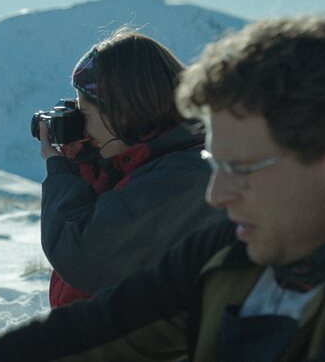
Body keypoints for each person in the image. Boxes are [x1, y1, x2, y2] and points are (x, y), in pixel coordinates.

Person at [0, 16, 325, 361]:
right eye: (216, 164)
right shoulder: (237, 254)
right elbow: (95, 330)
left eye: (243, 167)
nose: (215, 195)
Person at [38, 29, 222, 307]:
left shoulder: (185, 175)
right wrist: (83, 164)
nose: (84, 129)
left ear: (123, 111)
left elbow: (82, 256)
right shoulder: (149, 162)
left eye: (85, 114)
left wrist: (61, 171)